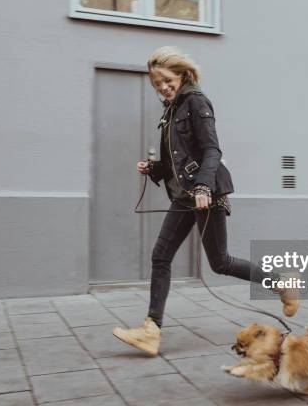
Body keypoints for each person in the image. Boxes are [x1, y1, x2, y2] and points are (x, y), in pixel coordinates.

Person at [112, 46, 298, 356]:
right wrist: (154, 168)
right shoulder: (171, 110)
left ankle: (282, 284)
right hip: (185, 196)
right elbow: (178, 160)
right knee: (161, 255)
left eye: (167, 81)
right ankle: (150, 330)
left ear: (182, 75)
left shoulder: (196, 103)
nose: (163, 88)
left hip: (205, 193)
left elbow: (212, 150)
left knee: (220, 262)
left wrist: (202, 187)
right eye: (157, 85)